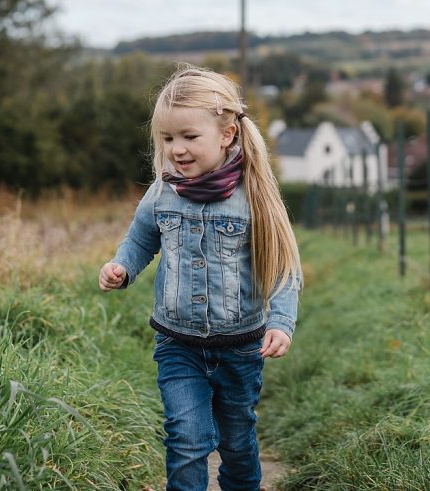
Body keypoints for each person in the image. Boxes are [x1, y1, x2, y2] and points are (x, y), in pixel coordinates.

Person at [99, 65, 302, 491]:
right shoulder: (161, 193)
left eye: (190, 137)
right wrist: (122, 266)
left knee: (236, 443)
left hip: (241, 348)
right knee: (187, 440)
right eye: (167, 139)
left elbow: (284, 267)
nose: (177, 149)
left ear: (227, 134)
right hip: (178, 345)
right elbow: (140, 240)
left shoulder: (254, 198)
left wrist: (281, 323)